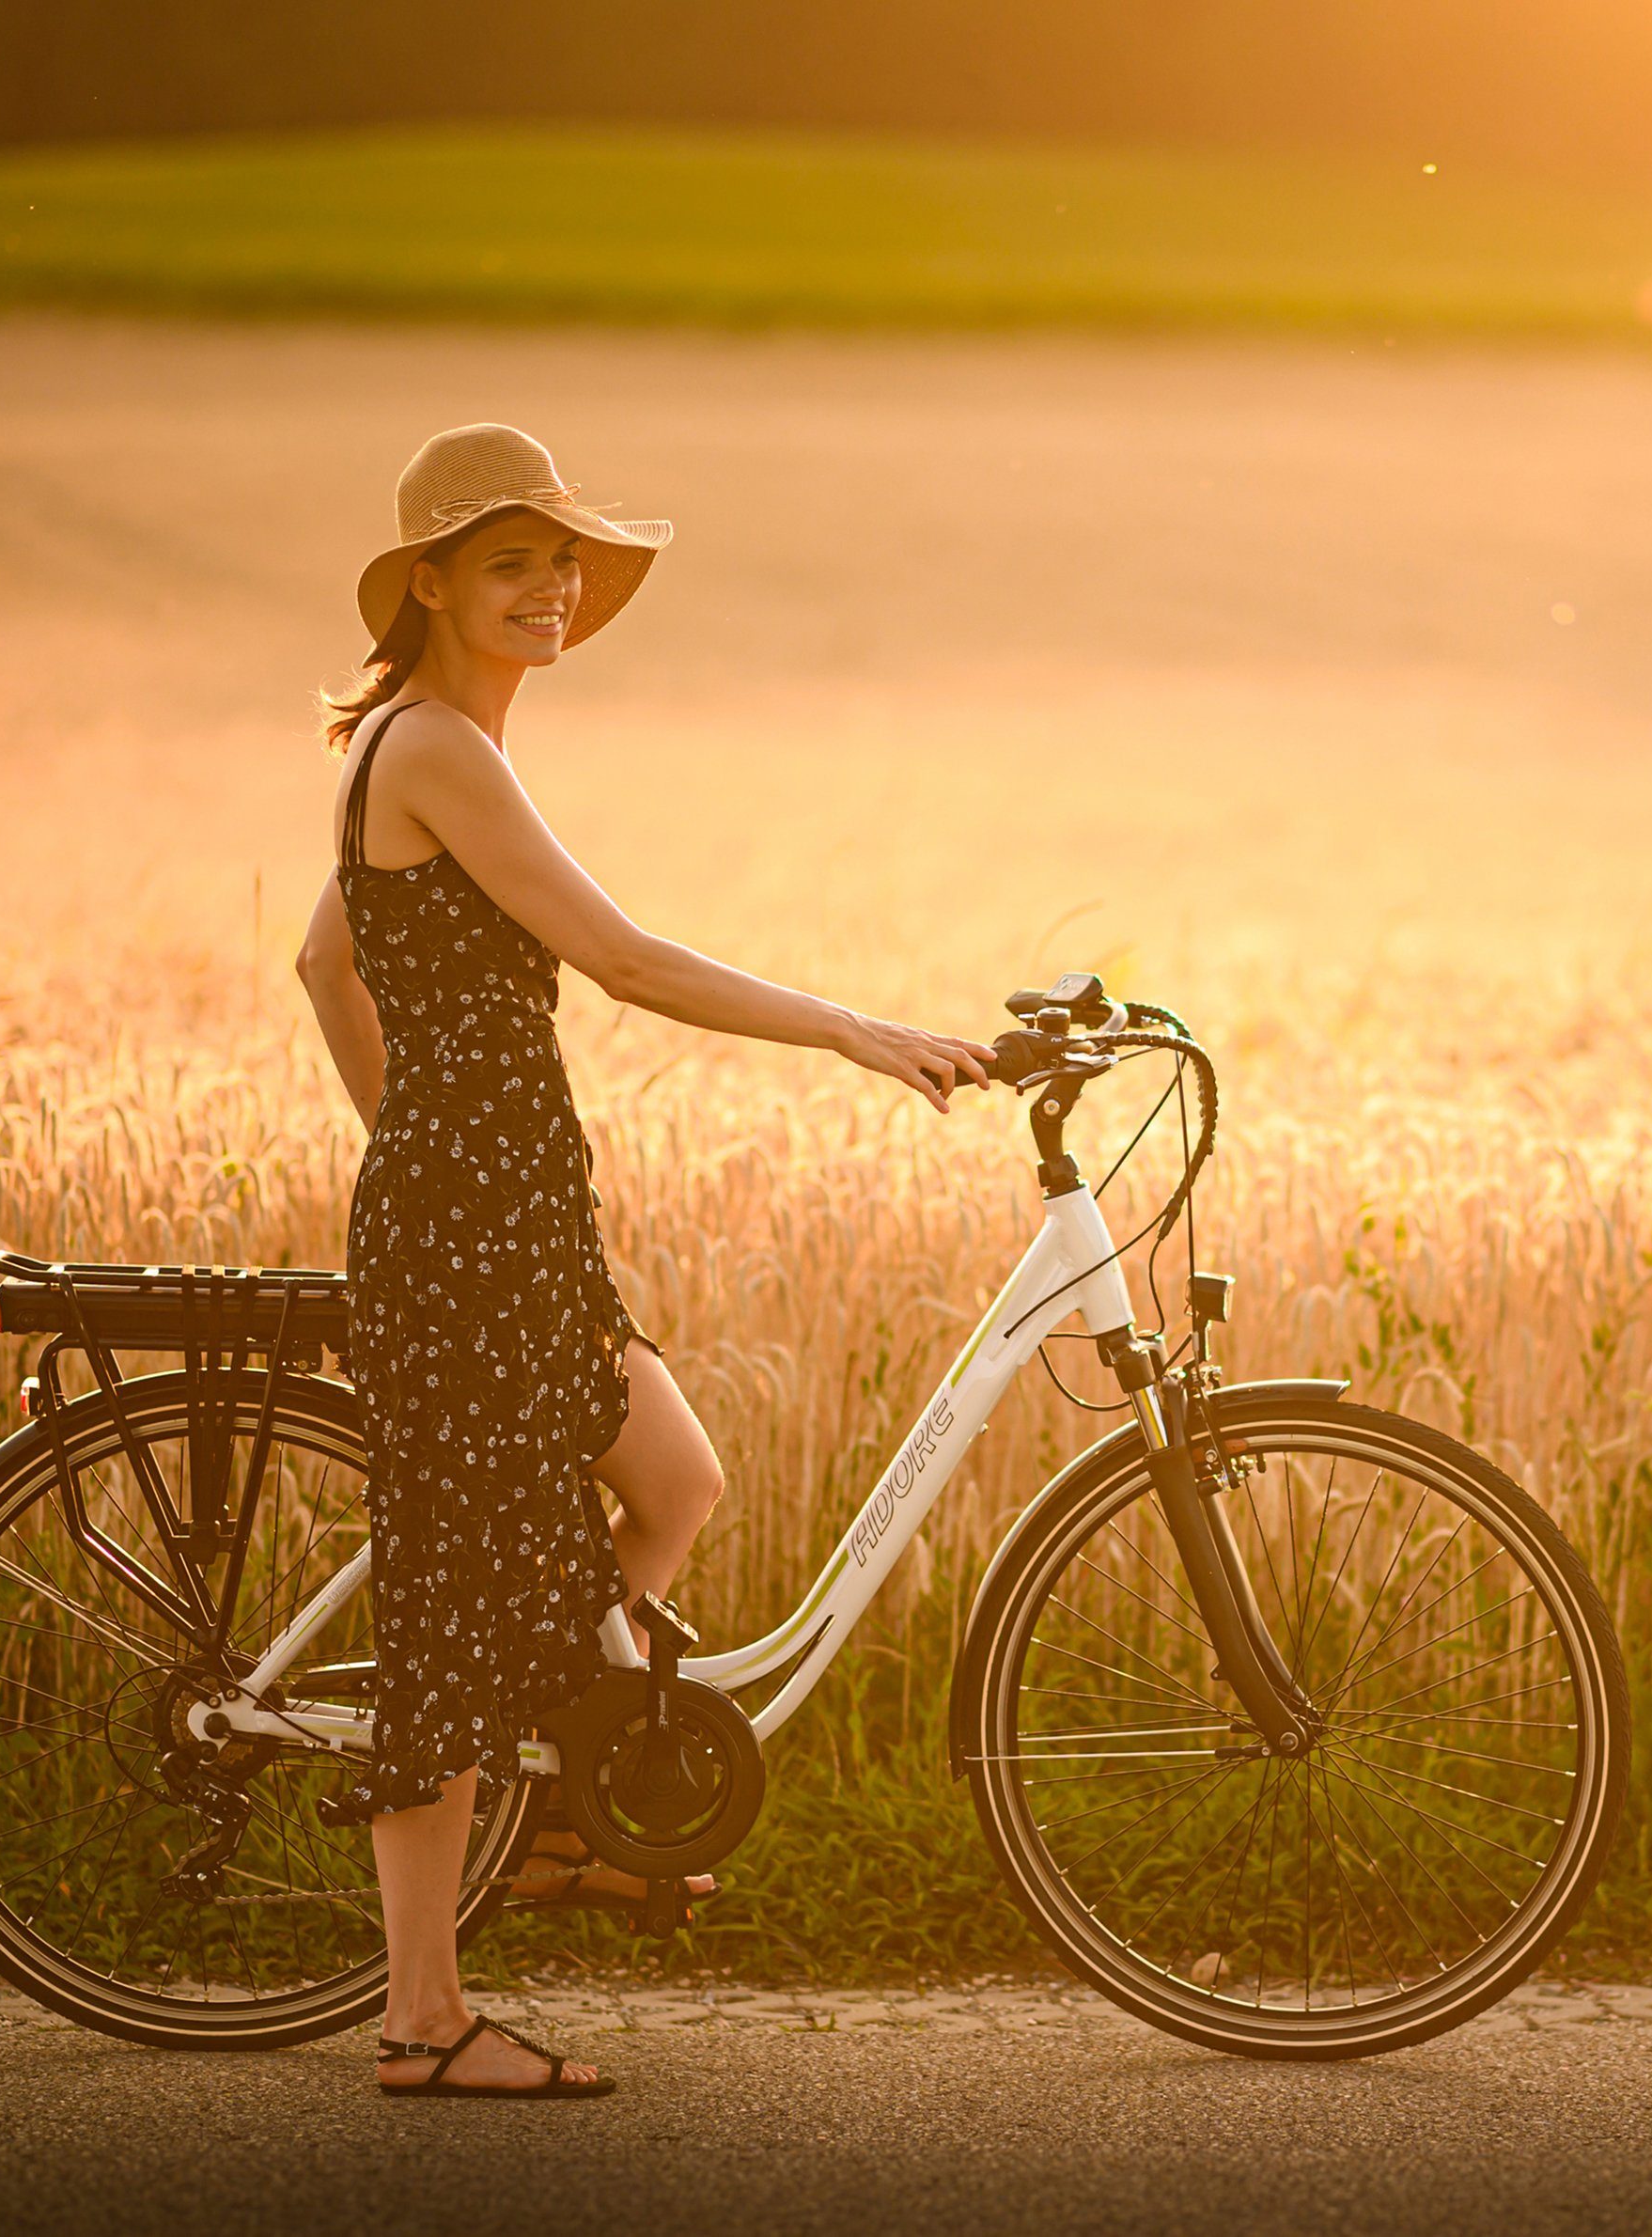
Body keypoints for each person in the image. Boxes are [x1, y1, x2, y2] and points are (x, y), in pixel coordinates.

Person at [297, 424, 991, 2098]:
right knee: (456, 1616)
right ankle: (422, 2021)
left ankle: (568, 1805)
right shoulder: (439, 748)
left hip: (503, 1214)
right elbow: (607, 958)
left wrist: (418, 1140)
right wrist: (847, 1028)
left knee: (675, 1480)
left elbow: (324, 964)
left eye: (565, 562)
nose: (553, 588)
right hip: (476, 1233)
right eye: (513, 563)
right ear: (439, 589)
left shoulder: (422, 746)